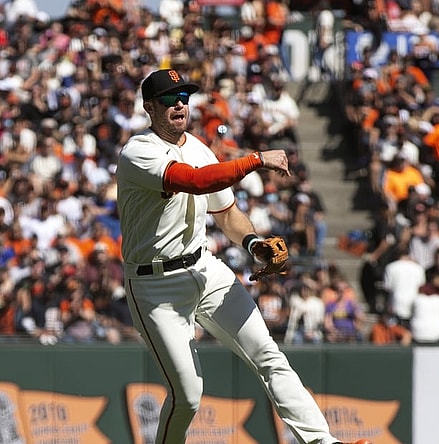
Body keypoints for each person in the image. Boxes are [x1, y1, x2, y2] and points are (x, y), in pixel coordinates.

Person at [117, 69, 370, 444]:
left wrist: (253, 244)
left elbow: (228, 215)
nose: (180, 105)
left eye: (184, 97)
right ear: (149, 107)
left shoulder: (199, 148)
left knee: (269, 355)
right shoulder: (139, 151)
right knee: (187, 397)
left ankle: (321, 441)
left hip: (204, 269)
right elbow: (197, 181)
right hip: (155, 286)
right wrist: (255, 159)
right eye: (170, 99)